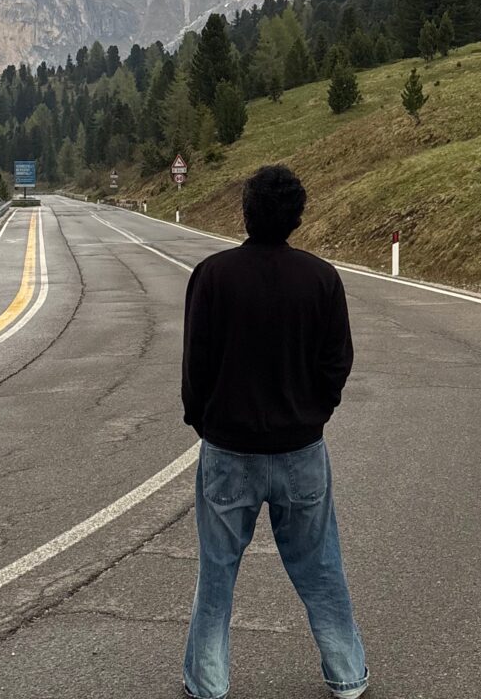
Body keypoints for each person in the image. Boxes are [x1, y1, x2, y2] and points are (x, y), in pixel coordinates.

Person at [181, 165, 368, 699]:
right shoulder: (322, 279)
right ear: (298, 217)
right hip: (301, 449)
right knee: (321, 568)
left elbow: (196, 365)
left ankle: (208, 684)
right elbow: (337, 363)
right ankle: (347, 677)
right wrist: (314, 414)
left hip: (228, 449)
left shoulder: (212, 275)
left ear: (245, 213)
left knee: (217, 574)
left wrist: (204, 422)